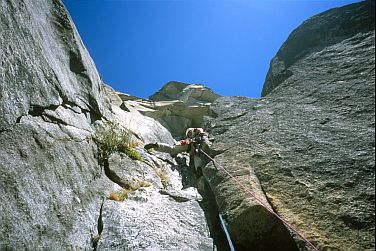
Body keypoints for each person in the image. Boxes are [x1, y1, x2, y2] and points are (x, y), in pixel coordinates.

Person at [144, 128, 210, 174]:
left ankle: (198, 170)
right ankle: (157, 145)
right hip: (187, 145)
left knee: (195, 158)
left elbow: (200, 131)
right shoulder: (193, 133)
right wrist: (193, 140)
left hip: (190, 148)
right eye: (189, 134)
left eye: (190, 134)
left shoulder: (198, 131)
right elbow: (196, 134)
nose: (189, 134)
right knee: (173, 150)